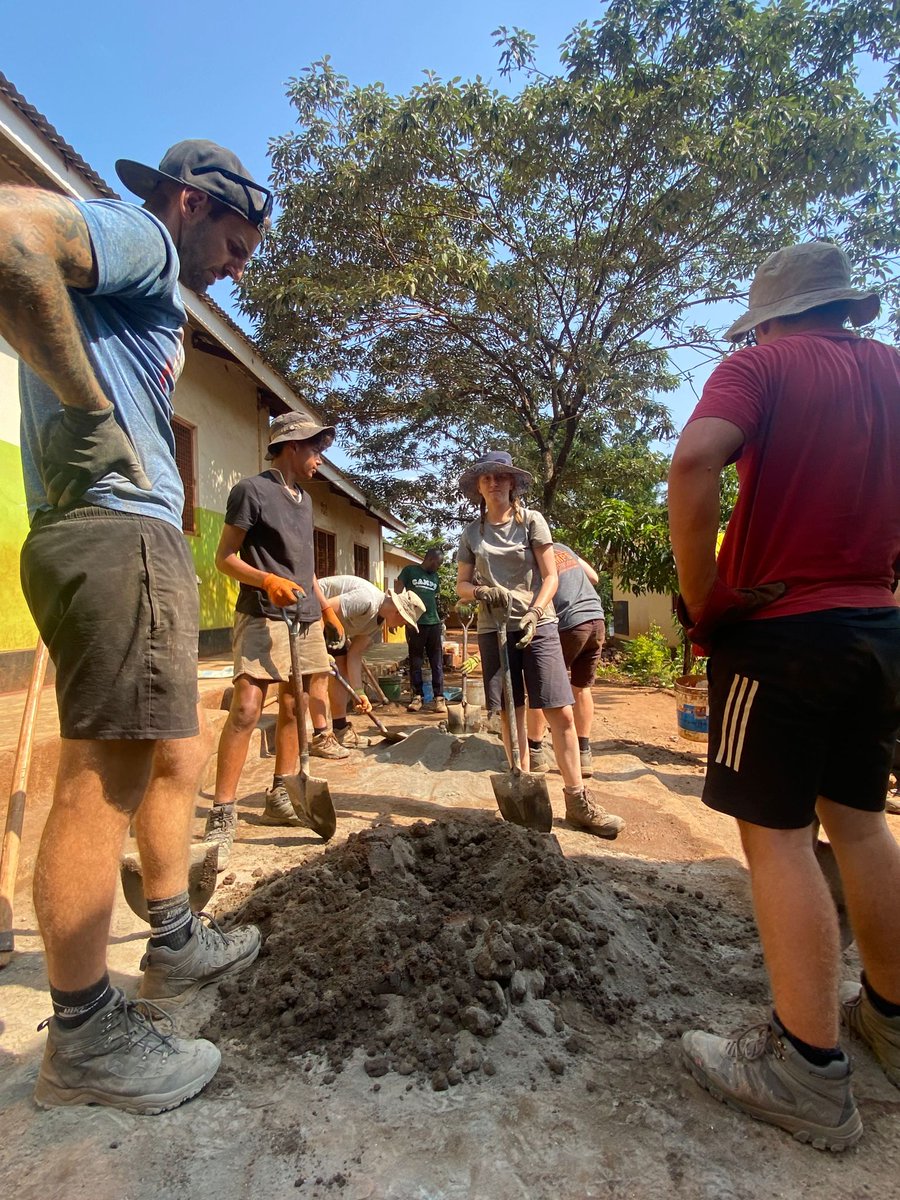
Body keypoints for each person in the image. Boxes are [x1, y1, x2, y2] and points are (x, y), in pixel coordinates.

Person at [2, 140, 270, 1113]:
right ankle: (83, 1036)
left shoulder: (137, 276)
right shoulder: (146, 241)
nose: (240, 269)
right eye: (238, 245)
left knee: (174, 753)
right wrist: (85, 398)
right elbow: (8, 233)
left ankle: (173, 936)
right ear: (193, 204)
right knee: (104, 772)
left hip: (127, 534)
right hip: (111, 529)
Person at [669, 242, 900, 1150]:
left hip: (781, 636)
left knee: (777, 836)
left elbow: (694, 467)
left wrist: (708, 600)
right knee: (862, 821)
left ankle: (807, 1068)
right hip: (879, 629)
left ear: (771, 316)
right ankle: (889, 1022)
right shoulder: (892, 371)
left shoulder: (759, 366)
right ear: (845, 306)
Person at [202, 413, 349, 870]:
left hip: (303, 618)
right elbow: (224, 558)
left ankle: (281, 795)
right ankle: (222, 813)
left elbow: (304, 567)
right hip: (263, 614)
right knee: (246, 708)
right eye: (314, 449)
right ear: (291, 447)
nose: (319, 459)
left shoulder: (304, 501)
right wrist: (266, 580)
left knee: (294, 706)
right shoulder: (251, 491)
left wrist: (324, 609)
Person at [455, 451, 624, 838]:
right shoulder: (471, 533)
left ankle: (577, 799)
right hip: (493, 628)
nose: (494, 483)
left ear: (513, 483)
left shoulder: (532, 521)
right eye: (486, 479)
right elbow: (461, 586)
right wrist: (481, 591)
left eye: (501, 477)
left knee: (559, 711)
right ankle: (522, 787)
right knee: (510, 714)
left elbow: (550, 577)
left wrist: (534, 612)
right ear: (478, 487)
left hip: (540, 625)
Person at [526, 545, 606, 778]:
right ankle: (584, 754)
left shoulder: (534, 555)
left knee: (539, 685)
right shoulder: (563, 549)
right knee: (582, 688)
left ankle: (536, 752)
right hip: (595, 619)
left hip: (570, 623)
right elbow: (594, 576)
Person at [319, 576, 425, 746]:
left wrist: (359, 692)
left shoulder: (376, 625)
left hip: (332, 627)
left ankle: (340, 730)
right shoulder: (367, 599)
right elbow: (320, 610)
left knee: (341, 670)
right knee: (318, 676)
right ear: (399, 612)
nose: (401, 626)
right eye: (405, 621)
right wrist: (317, 649)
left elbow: (354, 656)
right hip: (309, 613)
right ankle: (320, 736)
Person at [396, 545, 448, 713]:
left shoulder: (436, 577)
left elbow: (434, 600)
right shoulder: (409, 571)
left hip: (434, 623)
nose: (438, 567)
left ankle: (439, 698)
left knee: (436, 662)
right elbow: (397, 594)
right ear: (430, 559)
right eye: (438, 563)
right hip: (415, 623)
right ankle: (417, 697)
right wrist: (398, 616)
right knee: (416, 661)